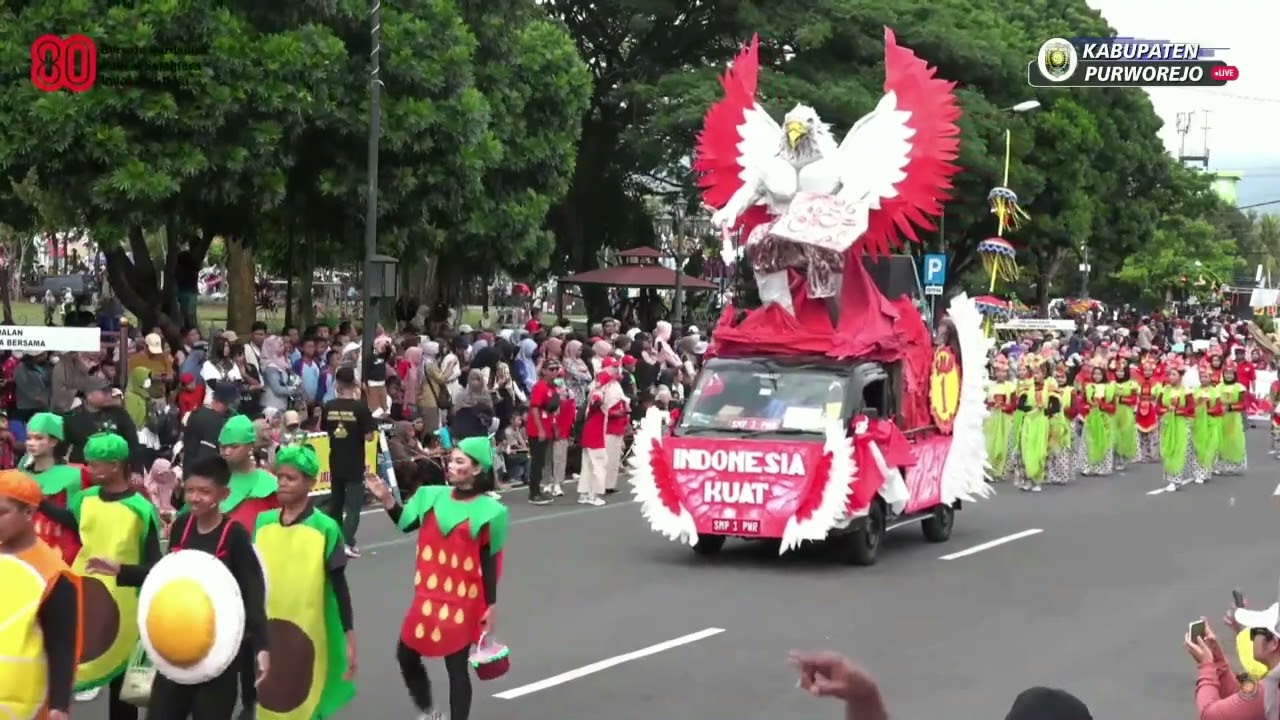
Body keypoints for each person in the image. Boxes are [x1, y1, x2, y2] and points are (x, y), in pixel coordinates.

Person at [87, 455, 270, 720]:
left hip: (218, 654)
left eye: (205, 492)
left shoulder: (235, 535)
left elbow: (254, 591)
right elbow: (164, 573)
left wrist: (262, 647)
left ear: (224, 493)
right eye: (191, 490)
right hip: (173, 648)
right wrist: (120, 570)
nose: (195, 498)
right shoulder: (181, 526)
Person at [364, 436, 506, 720]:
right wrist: (386, 498)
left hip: (462, 599)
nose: (450, 466)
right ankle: (429, 712)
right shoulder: (430, 495)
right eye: (450, 460)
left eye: (459, 461)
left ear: (477, 469)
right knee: (406, 655)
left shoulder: (492, 511)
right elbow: (406, 523)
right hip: (427, 596)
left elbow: (489, 561)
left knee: (456, 668)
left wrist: (490, 605)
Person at [41, 433, 161, 715]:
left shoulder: (141, 510)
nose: (89, 470)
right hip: (85, 596)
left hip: (125, 605)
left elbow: (155, 567)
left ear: (116, 465)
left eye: (95, 465)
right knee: (69, 667)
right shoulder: (84, 499)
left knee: (122, 694)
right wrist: (38, 501)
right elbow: (71, 522)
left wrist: (122, 571)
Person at [251, 445, 358, 719]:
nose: (283, 483)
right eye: (280, 477)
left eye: (292, 478)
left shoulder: (325, 528)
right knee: (270, 701)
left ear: (310, 482)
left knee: (307, 699)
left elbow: (339, 587)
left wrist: (348, 636)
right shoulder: (263, 524)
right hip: (268, 630)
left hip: (309, 631)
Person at [0, 470, 83, 720]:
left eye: (1, 513)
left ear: (29, 513)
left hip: (26, 706)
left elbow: (62, 644)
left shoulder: (54, 574)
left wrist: (59, 705)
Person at [321, 367, 376, 558]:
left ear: (336, 383)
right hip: (354, 462)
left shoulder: (328, 406)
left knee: (336, 504)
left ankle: (342, 541)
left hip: (335, 459)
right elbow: (369, 437)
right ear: (354, 384)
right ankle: (344, 542)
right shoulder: (360, 407)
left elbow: (324, 430)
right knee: (353, 507)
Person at [22, 412, 89, 564]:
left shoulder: (73, 475)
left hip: (59, 552)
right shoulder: (22, 473)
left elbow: (77, 520)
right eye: (29, 438)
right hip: (25, 550)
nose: (31, 443)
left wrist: (42, 503)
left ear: (53, 441)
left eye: (39, 438)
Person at [182, 382, 239, 467]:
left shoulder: (194, 414)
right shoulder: (213, 421)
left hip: (193, 467)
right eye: (229, 403)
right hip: (201, 469)